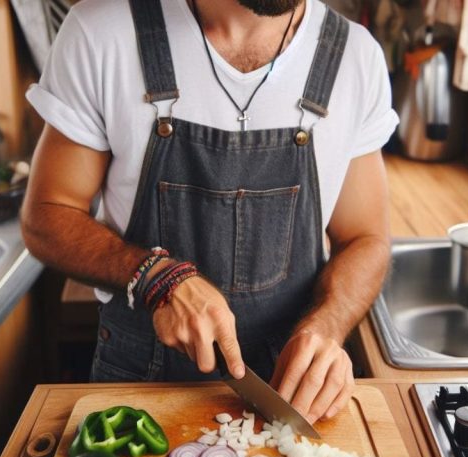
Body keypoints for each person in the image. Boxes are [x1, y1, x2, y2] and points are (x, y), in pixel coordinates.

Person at [21, 0, 397, 424]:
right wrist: (154, 276)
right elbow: (46, 216)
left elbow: (366, 238)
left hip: (289, 392)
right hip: (138, 385)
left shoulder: (354, 57)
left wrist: (327, 326)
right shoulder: (101, 32)